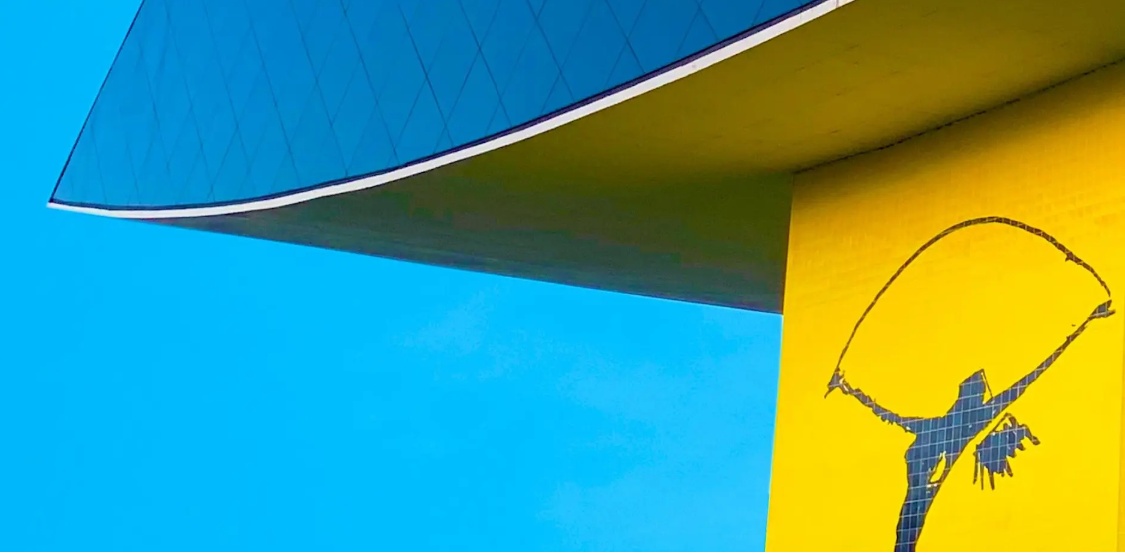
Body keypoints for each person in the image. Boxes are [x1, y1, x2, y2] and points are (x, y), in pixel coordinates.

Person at [826, 300, 1113, 552]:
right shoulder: (938, 425)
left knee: (909, 537)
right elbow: (885, 413)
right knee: (905, 539)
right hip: (919, 497)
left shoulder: (966, 420)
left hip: (934, 494)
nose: (979, 392)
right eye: (975, 390)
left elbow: (1031, 376)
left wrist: (1083, 325)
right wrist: (849, 387)